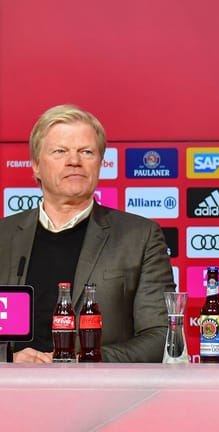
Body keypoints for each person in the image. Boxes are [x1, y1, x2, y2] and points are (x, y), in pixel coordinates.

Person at [0, 104, 175, 363]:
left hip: (100, 386)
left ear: (100, 163)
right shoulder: (3, 237)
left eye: (86, 152)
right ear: (36, 165)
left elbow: (160, 336)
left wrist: (83, 360)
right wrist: (8, 359)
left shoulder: (140, 237)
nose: (74, 161)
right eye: (60, 151)